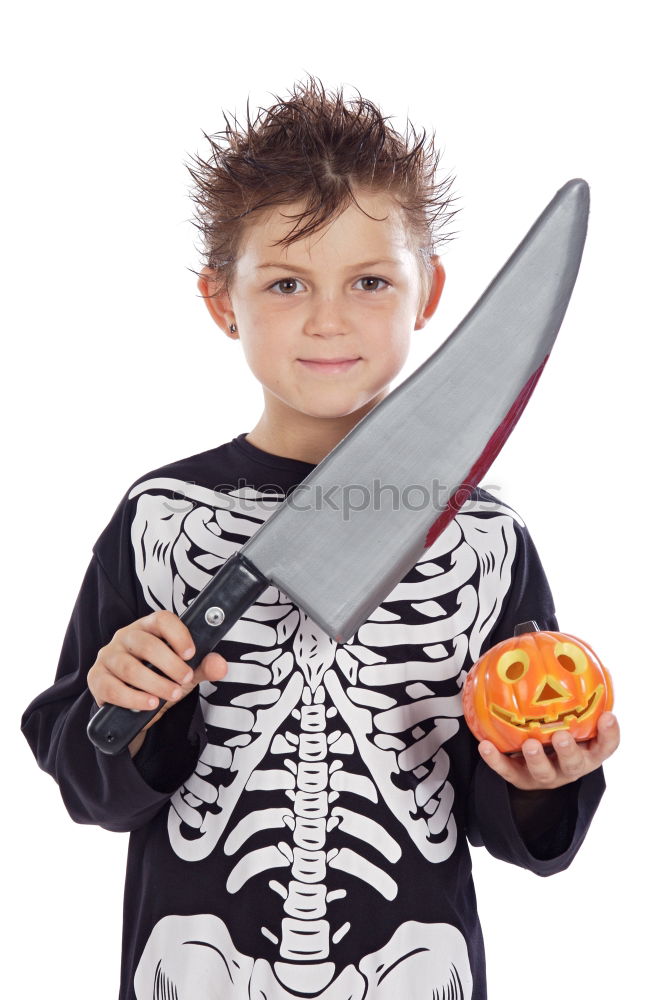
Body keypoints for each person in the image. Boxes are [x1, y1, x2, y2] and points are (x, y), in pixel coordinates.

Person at [21, 76, 619, 1000]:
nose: (329, 319)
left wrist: (544, 775)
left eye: (371, 281)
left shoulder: (484, 536)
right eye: (287, 282)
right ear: (223, 302)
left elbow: (515, 824)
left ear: (431, 295)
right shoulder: (159, 516)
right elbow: (86, 779)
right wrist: (122, 709)